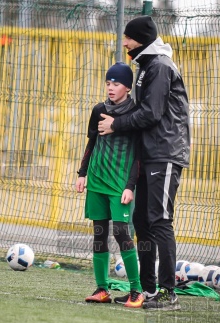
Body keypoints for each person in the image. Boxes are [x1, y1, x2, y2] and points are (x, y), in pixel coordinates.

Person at [97, 16, 190, 310]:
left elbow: (151, 113)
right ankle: (148, 290)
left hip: (165, 153)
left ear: (142, 39)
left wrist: (116, 124)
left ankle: (168, 292)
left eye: (128, 37)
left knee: (160, 220)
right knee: (142, 221)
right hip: (150, 153)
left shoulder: (160, 66)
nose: (124, 43)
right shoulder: (147, 66)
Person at [76, 62, 144, 308]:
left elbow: (138, 155)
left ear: (127, 86)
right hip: (96, 180)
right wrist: (82, 173)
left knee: (122, 233)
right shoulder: (98, 110)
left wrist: (130, 186)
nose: (111, 87)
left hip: (119, 185)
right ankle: (102, 288)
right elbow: (91, 143)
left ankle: (136, 290)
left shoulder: (136, 113)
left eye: (116, 83)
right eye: (108, 83)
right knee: (99, 234)